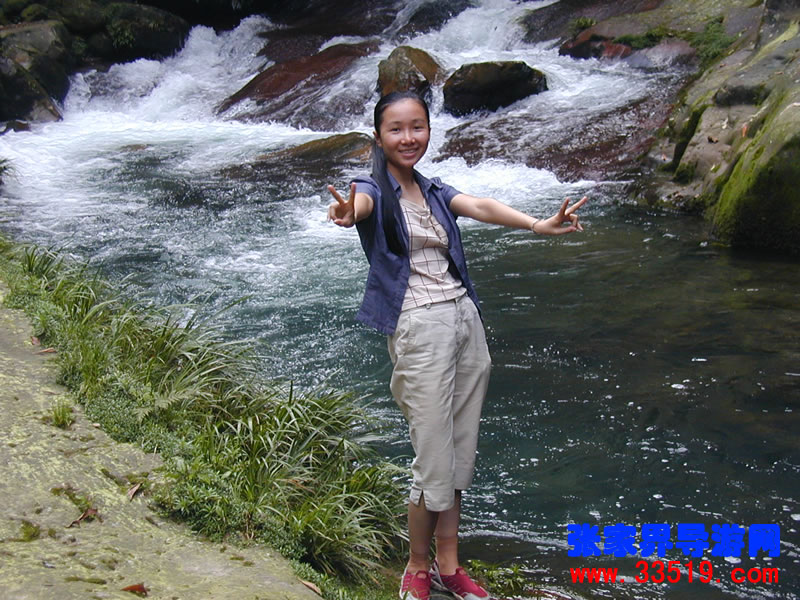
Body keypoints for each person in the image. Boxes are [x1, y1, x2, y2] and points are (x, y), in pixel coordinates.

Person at [327, 90, 586, 600]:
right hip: (419, 328)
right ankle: (416, 567)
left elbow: (480, 205)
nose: (408, 138)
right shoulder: (371, 189)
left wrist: (537, 225)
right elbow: (360, 206)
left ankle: (449, 564)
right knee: (433, 459)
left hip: (465, 321)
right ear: (378, 136)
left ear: (428, 129)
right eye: (396, 129)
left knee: (459, 452)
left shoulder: (431, 188)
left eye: (417, 127)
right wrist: (348, 213)